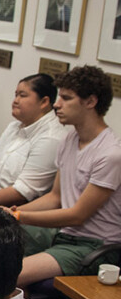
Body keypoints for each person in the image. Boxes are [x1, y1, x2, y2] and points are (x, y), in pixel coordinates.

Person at [13, 65, 121, 286]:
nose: (56, 104)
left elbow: (77, 215)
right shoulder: (69, 140)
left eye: (66, 98)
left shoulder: (111, 154)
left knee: (7, 275)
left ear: (90, 102)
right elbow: (55, 197)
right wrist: (11, 213)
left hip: (92, 246)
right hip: (62, 235)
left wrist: (19, 216)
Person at [0, 73, 66, 205]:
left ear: (44, 102)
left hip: (13, 209)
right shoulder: (13, 127)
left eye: (23, 96)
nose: (15, 101)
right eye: (16, 95)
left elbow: (23, 191)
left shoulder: (51, 138)